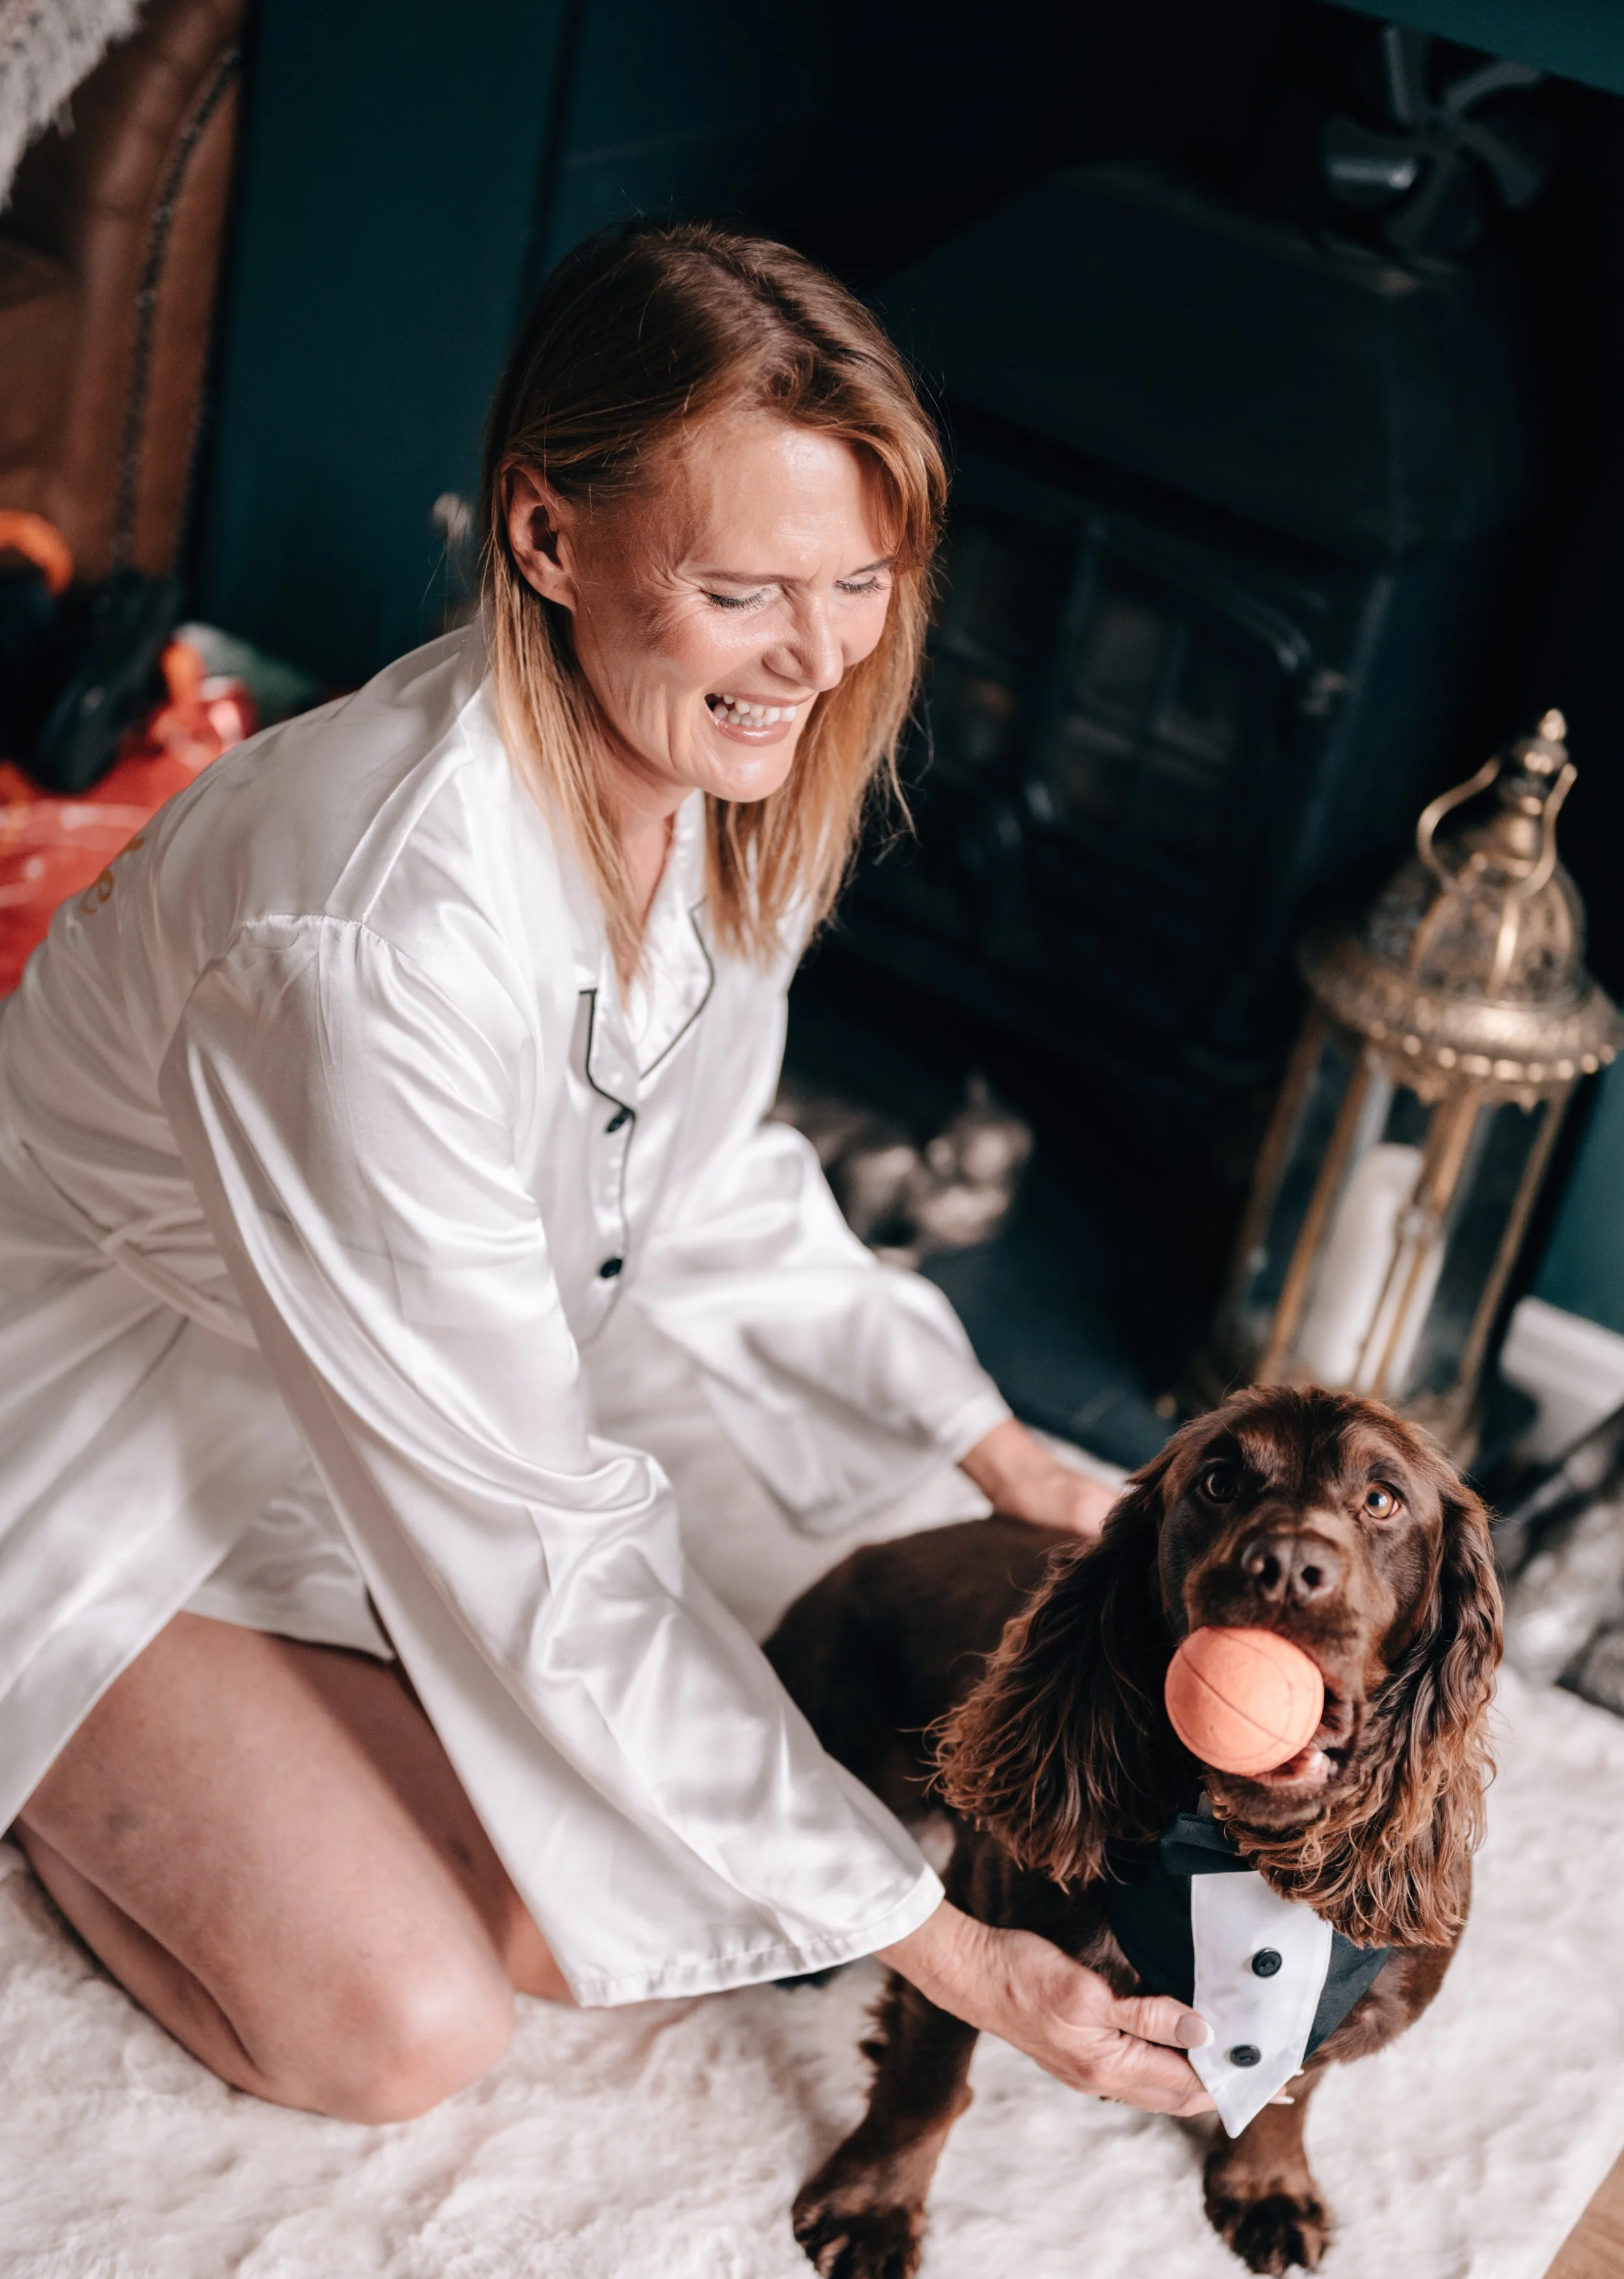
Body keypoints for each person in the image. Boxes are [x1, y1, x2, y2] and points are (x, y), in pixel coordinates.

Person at [1, 222, 1209, 2124]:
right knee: (409, 2027)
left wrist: (1004, 1454)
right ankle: (47, 1752)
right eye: (743, 590)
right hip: (98, 1419)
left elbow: (706, 1185)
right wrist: (946, 1943)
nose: (815, 658)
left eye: (860, 583)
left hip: (380, 1411)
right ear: (546, 537)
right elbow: (537, 1539)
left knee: (595, 1911)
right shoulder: (373, 938)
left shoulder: (726, 788)